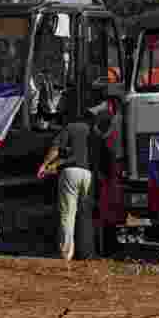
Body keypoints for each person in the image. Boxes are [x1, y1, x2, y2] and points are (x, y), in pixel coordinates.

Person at [37, 109, 103, 260]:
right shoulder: (94, 132)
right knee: (86, 215)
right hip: (88, 174)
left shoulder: (70, 128)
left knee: (68, 215)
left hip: (70, 172)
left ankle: (66, 253)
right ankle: (87, 253)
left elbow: (55, 149)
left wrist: (44, 165)